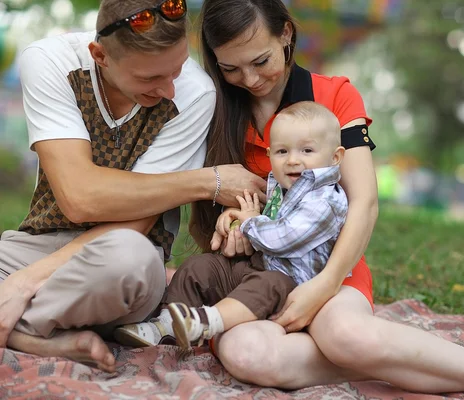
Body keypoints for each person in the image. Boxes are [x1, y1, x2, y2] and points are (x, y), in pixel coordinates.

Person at [161, 0, 464, 398]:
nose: (250, 80)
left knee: (345, 335)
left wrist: (326, 285)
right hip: (252, 280)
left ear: (287, 35)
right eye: (231, 69)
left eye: (261, 61)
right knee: (246, 354)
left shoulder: (334, 95)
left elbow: (364, 202)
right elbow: (213, 206)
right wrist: (233, 224)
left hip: (329, 264)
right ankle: (391, 361)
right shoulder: (212, 105)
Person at [0, 0, 266, 373]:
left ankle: (15, 322)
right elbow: (79, 199)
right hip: (39, 246)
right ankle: (32, 334)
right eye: (150, 79)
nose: (170, 89)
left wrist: (21, 284)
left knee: (131, 260)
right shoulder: (50, 61)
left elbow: (134, 222)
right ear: (100, 55)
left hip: (119, 259)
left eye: (176, 69)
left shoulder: (195, 92)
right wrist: (207, 181)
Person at [113, 101, 348, 351]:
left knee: (269, 285)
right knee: (200, 267)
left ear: (335, 157)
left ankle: (206, 322)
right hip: (253, 268)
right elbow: (259, 223)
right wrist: (236, 220)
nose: (292, 160)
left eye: (307, 151)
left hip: (291, 286)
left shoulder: (325, 200)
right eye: (282, 152)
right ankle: (167, 325)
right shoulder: (282, 189)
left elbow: (284, 237)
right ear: (269, 155)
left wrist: (249, 222)